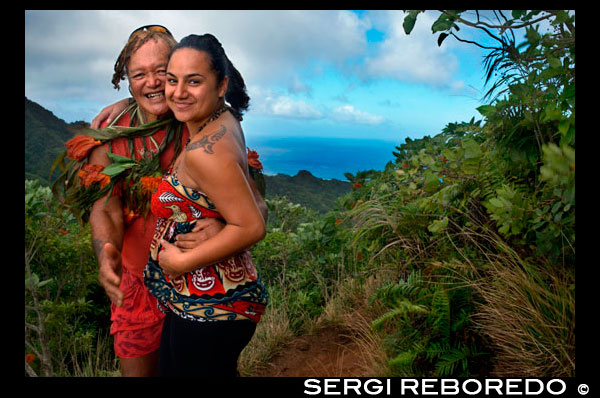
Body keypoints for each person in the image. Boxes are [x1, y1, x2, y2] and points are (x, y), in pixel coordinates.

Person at [55, 25, 267, 377]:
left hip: (198, 286)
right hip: (138, 285)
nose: (153, 83)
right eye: (140, 74)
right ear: (127, 80)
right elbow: (104, 206)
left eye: (161, 72)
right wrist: (106, 248)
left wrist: (222, 225)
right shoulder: (113, 137)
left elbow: (254, 203)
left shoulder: (200, 122)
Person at [143, 33, 269, 377]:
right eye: (172, 80)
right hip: (219, 300)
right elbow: (256, 205)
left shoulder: (205, 153)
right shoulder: (226, 120)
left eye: (194, 81)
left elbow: (253, 226)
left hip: (208, 307)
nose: (178, 92)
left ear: (220, 85)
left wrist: (182, 261)